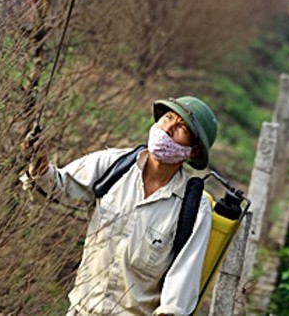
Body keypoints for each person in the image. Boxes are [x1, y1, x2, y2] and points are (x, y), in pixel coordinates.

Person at [20, 96, 219, 316]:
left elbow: (178, 295)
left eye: (181, 127)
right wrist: (38, 164)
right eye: (168, 118)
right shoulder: (114, 166)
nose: (168, 129)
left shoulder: (193, 210)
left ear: (194, 151)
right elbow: (56, 187)